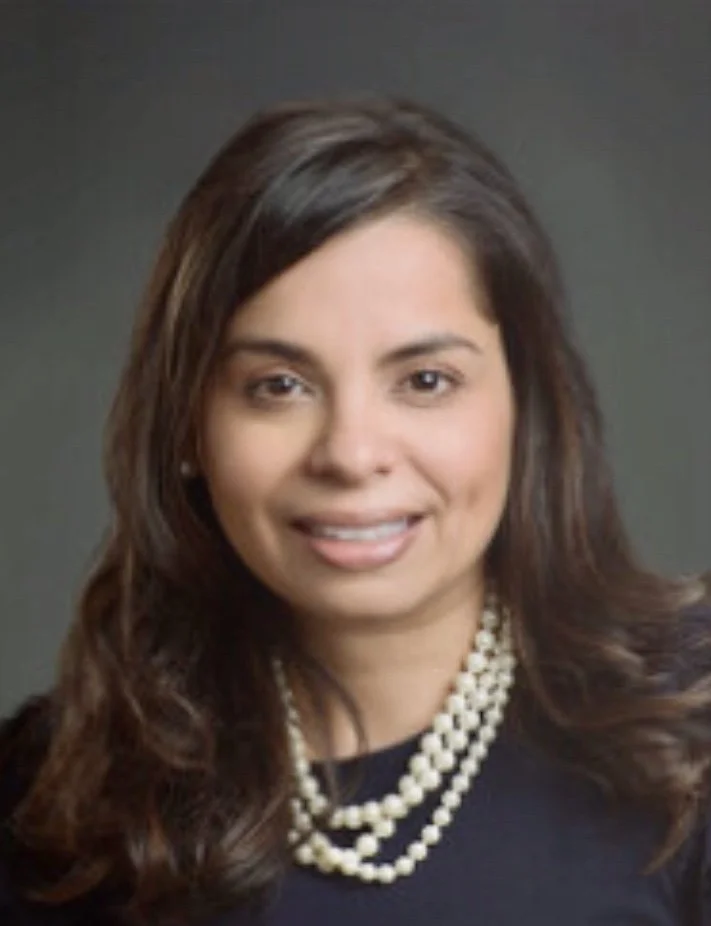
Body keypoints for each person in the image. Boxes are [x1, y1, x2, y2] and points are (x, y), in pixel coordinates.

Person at [0, 97, 709, 926]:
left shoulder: (689, 726)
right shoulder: (57, 797)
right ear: (189, 424)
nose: (349, 451)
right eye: (278, 387)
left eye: (425, 381)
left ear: (527, 409)